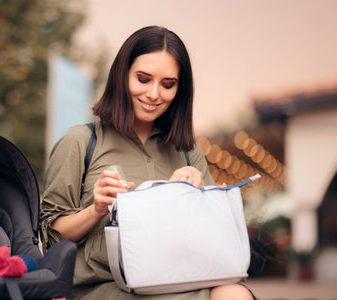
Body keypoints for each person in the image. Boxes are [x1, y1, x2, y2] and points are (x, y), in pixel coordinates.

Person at [40, 26, 254, 299]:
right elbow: (52, 239)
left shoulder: (188, 152)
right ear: (122, 75)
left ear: (180, 89)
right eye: (143, 79)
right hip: (104, 286)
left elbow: (211, 240)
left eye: (168, 84)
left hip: (176, 278)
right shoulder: (82, 141)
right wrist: (96, 209)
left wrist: (199, 196)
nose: (154, 94)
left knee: (234, 293)